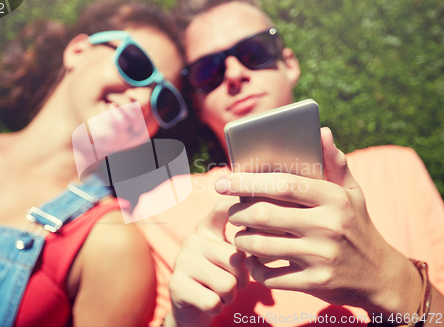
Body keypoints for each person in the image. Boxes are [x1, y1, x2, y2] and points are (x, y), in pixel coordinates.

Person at [131, 0, 444, 326]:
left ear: (289, 64)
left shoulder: (397, 168)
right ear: (196, 100)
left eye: (254, 52)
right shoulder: (160, 205)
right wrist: (181, 321)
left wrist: (390, 281)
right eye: (208, 71)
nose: (235, 74)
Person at [0, 1, 187, 326]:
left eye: (164, 100)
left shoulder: (109, 243)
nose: (143, 100)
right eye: (137, 65)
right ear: (78, 51)